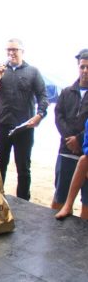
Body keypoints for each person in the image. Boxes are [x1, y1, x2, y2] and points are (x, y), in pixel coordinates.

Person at [0, 38, 48, 201]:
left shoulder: (33, 71)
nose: (11, 53)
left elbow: (43, 97)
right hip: (3, 126)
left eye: (15, 50)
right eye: (8, 50)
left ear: (22, 51)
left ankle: (24, 202)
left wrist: (39, 115)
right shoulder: (0, 71)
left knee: (23, 168)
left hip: (24, 127)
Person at [53, 50, 88, 219]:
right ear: (78, 66)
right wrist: (70, 140)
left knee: (86, 202)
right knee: (60, 197)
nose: (85, 70)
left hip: (85, 154)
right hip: (65, 151)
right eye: (82, 66)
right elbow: (58, 116)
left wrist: (79, 140)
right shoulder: (66, 92)